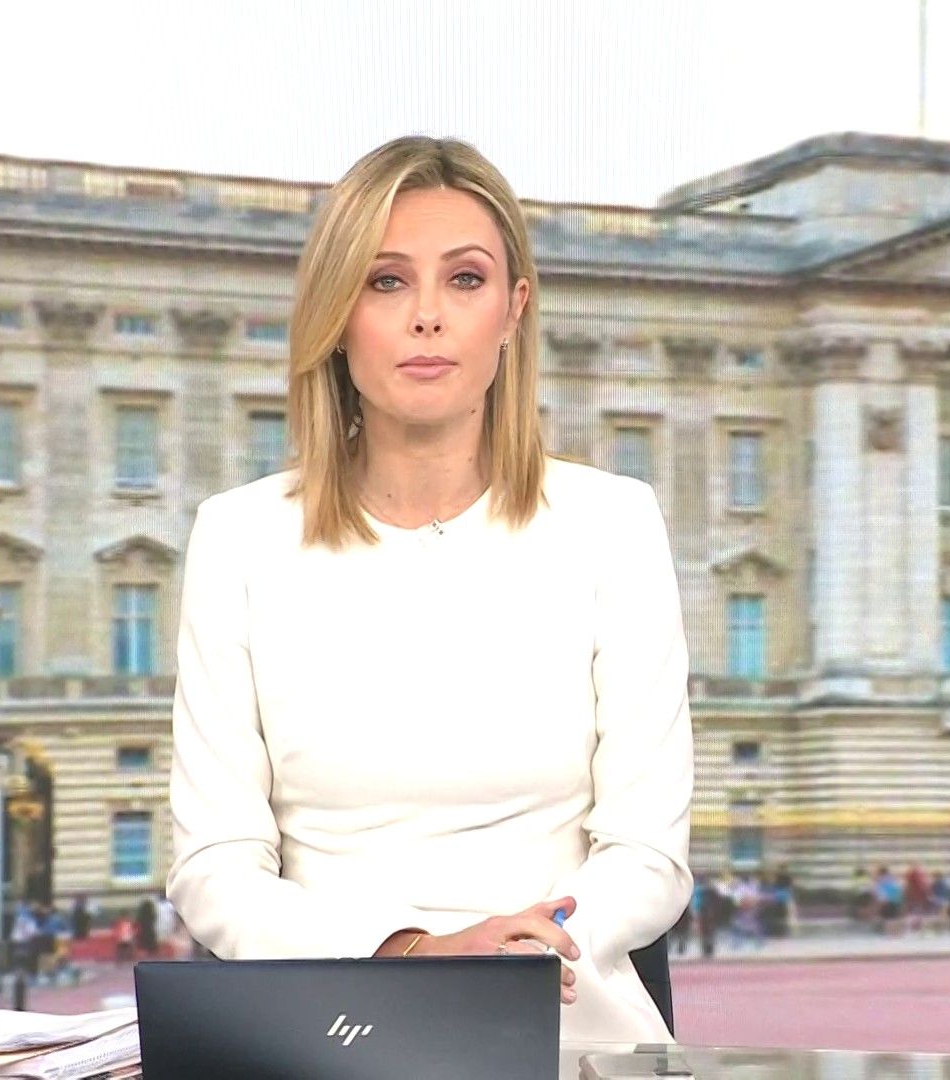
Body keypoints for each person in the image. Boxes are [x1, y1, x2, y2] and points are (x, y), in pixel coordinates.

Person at [165, 135, 694, 1046]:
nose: (427, 318)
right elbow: (215, 868)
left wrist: (521, 954)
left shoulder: (614, 521)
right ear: (338, 313)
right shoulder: (238, 536)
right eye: (386, 281)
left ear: (514, 309)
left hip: (564, 1017)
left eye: (465, 280)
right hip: (322, 1036)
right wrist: (411, 954)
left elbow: (647, 853)